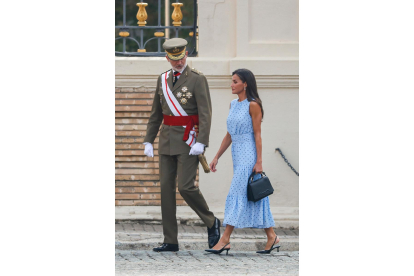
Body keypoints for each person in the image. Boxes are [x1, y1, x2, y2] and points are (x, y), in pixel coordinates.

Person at [143, 38, 220, 252]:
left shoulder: (197, 79)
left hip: (189, 141)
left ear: (186, 55)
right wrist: (148, 139)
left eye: (182, 57)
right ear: (167, 58)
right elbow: (155, 114)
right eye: (174, 59)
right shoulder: (162, 79)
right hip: (166, 140)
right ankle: (171, 240)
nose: (178, 62)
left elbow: (205, 113)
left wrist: (202, 142)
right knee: (166, 190)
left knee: (185, 187)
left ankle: (211, 222)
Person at [205, 68, 280, 255]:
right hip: (237, 154)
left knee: (236, 192)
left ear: (245, 84)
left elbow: (257, 134)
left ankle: (225, 239)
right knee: (253, 196)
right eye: (232, 81)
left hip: (249, 153)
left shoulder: (253, 105)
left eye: (235, 81)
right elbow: (230, 134)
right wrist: (216, 157)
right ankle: (272, 236)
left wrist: (259, 162)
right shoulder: (233, 104)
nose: (232, 84)